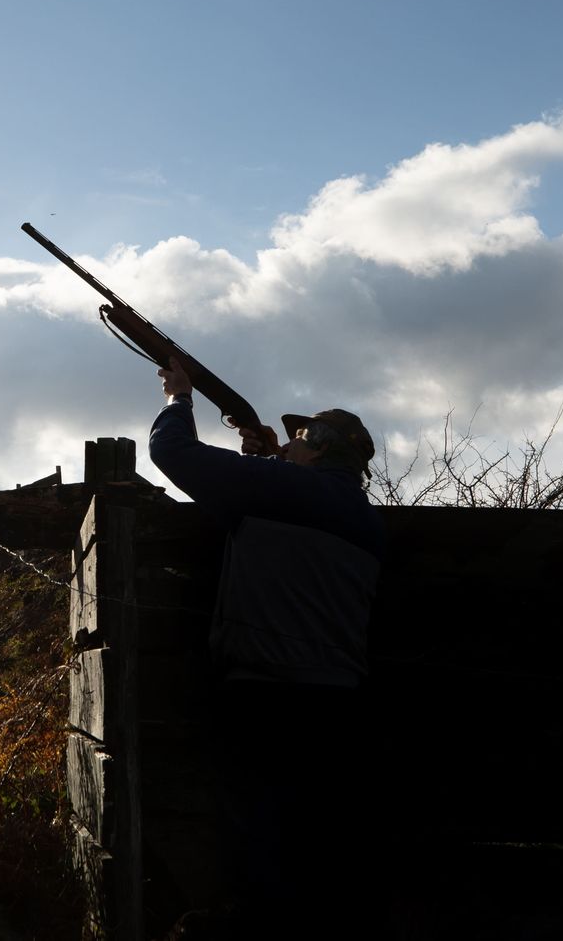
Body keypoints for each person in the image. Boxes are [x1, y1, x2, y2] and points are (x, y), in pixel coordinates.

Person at [148, 358, 387, 936]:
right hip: (336, 696)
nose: (292, 442)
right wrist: (268, 459)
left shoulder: (290, 489)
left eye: (302, 436)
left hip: (269, 691)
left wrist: (181, 400)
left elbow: (172, 455)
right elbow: (283, 505)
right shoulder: (357, 511)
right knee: (309, 840)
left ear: (322, 450)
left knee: (256, 828)